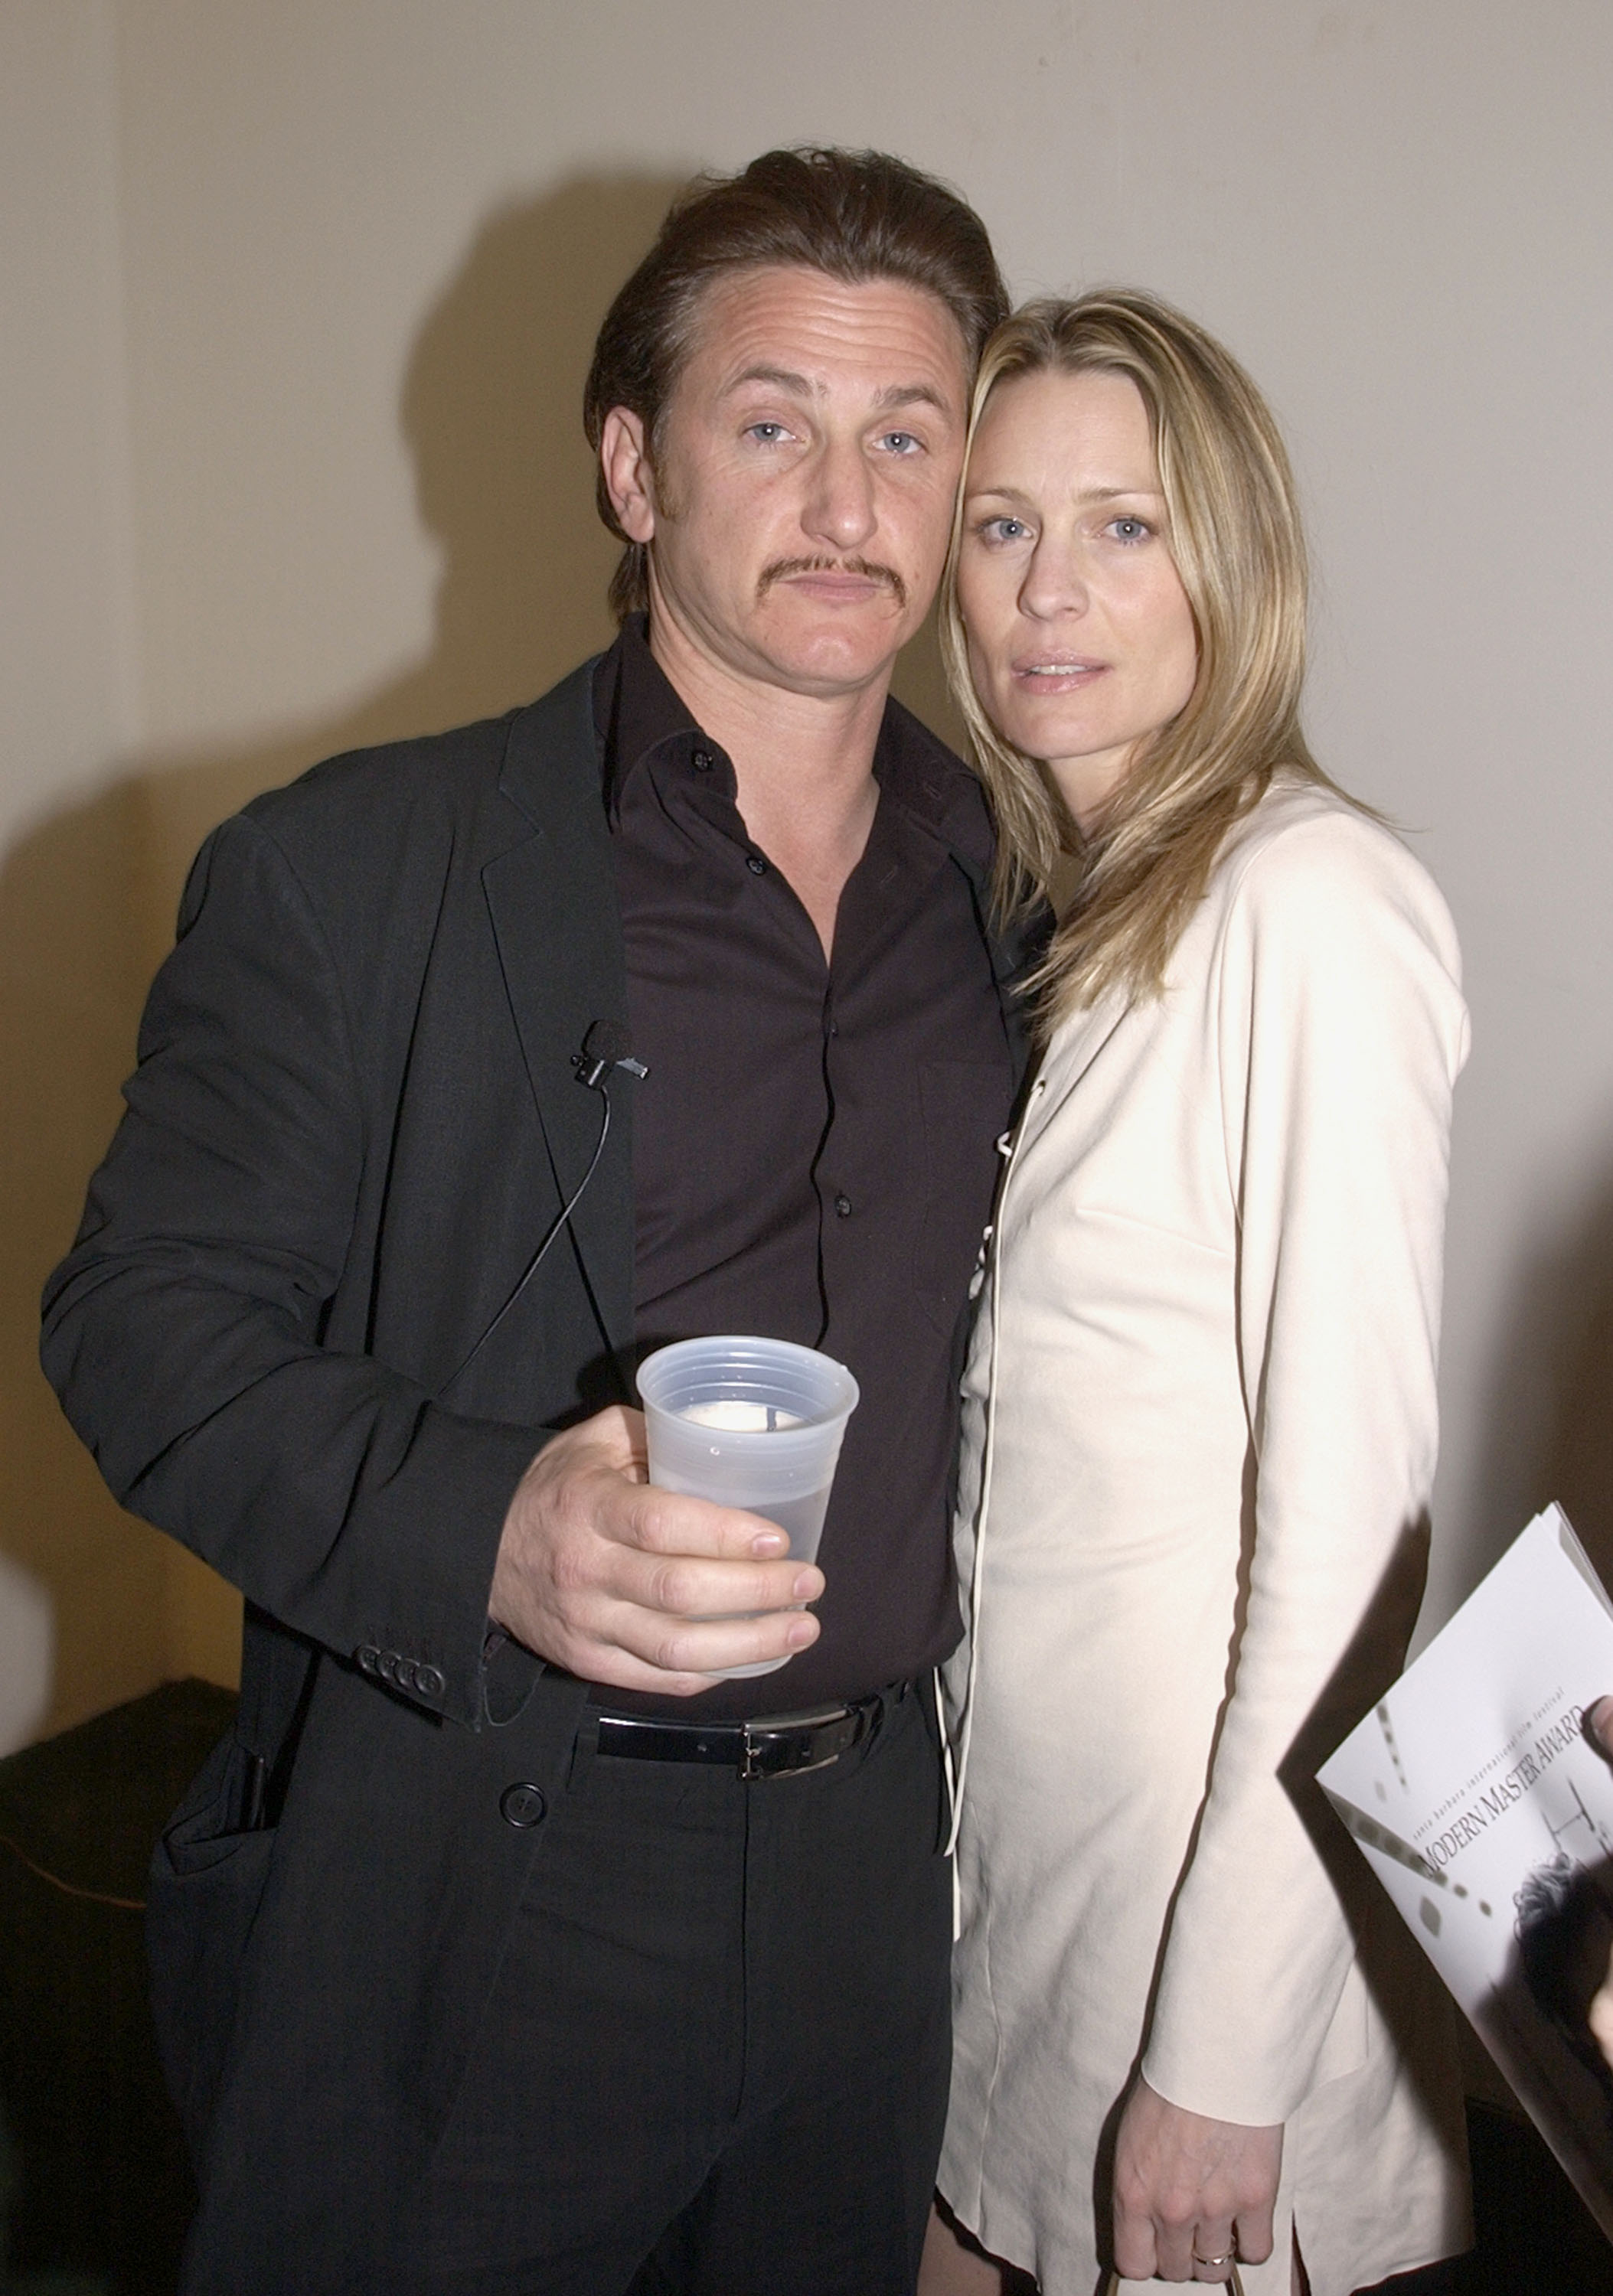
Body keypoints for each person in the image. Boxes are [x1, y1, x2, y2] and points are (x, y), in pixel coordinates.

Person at [41, 148, 1037, 2296]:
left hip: (876, 1869)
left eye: (905, 436)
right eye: (769, 426)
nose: (848, 507)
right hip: (488, 1871)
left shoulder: (1025, 907)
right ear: (631, 468)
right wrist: (484, 1522)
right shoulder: (351, 869)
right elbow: (142, 1321)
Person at [916, 292, 1473, 2296]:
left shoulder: (1303, 903)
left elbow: (1351, 1544)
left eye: (1124, 527)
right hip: (1035, 1894)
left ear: (1228, 567)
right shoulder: (1062, 915)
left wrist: (1219, 2050)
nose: (1046, 590)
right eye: (995, 524)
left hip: (1194, 1955)